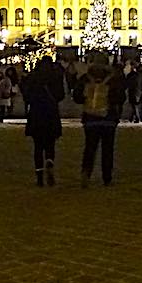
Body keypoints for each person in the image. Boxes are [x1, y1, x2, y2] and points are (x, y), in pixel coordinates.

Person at [75, 51, 124, 186]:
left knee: (90, 147)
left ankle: (86, 172)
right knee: (107, 149)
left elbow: (77, 97)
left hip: (90, 117)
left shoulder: (86, 78)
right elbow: (120, 97)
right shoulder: (114, 79)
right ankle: (106, 177)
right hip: (109, 118)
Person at [23, 56, 65, 185]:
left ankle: (39, 175)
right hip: (51, 114)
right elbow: (60, 96)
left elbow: (27, 96)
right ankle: (50, 161)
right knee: (50, 144)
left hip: (36, 114)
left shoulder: (33, 77)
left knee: (38, 146)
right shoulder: (55, 78)